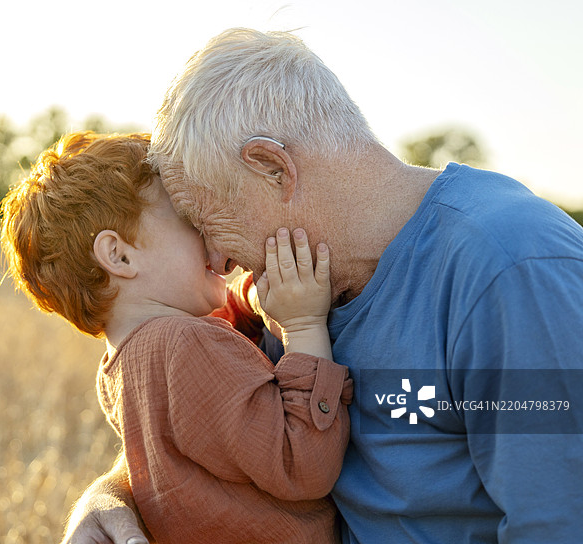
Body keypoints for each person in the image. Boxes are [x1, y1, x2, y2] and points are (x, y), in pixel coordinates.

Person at [62, 28, 583, 544]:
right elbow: (190, 418)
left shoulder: (510, 269)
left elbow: (557, 522)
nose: (217, 258)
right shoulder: (279, 291)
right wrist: (110, 496)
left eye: (205, 219)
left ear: (273, 169)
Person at [0, 131, 353, 543]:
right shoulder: (185, 344)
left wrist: (250, 295)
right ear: (119, 255)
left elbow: (225, 326)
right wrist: (305, 325)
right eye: (190, 219)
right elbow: (303, 464)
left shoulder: (119, 368)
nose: (214, 239)